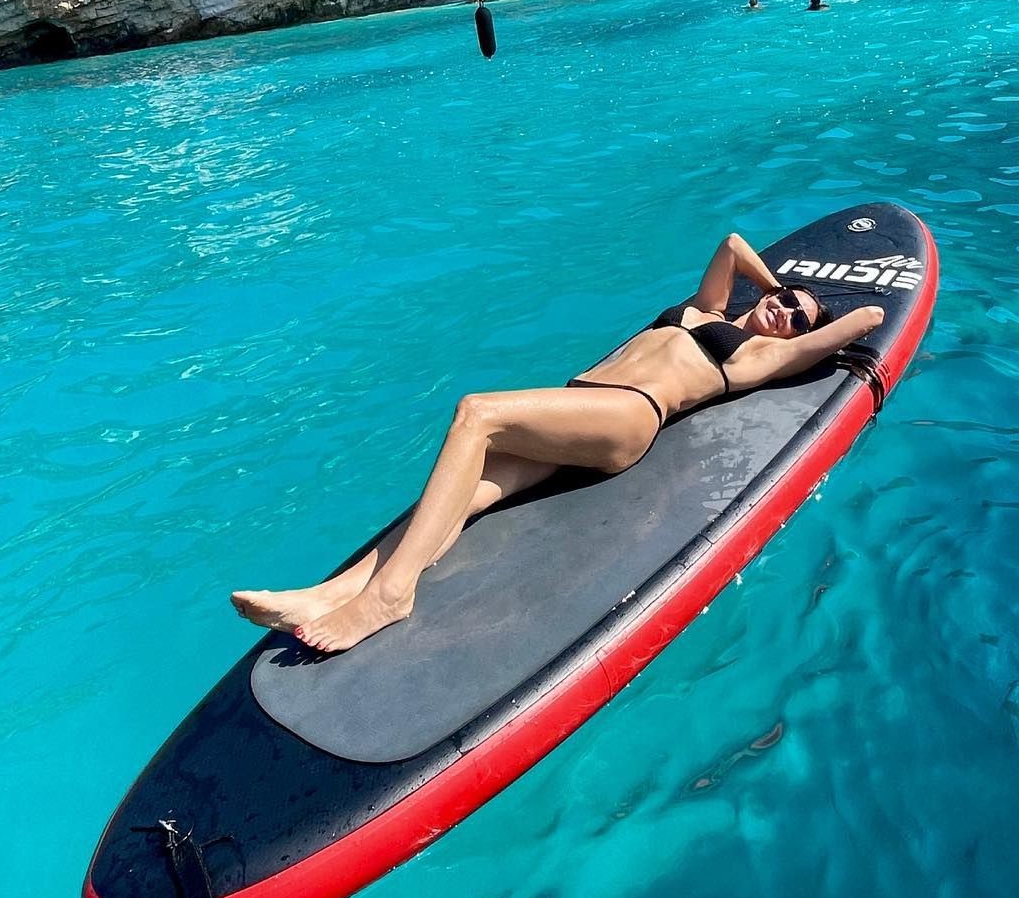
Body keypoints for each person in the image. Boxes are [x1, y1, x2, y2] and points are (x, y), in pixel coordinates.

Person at [232, 235, 885, 653]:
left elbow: (865, 319)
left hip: (627, 417)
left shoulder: (755, 356)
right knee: (468, 492)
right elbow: (733, 244)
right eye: (786, 302)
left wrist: (808, 325)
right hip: (580, 405)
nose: (786, 313)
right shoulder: (707, 310)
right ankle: (332, 592)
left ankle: (390, 593)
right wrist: (776, 287)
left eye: (796, 318)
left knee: (476, 415)